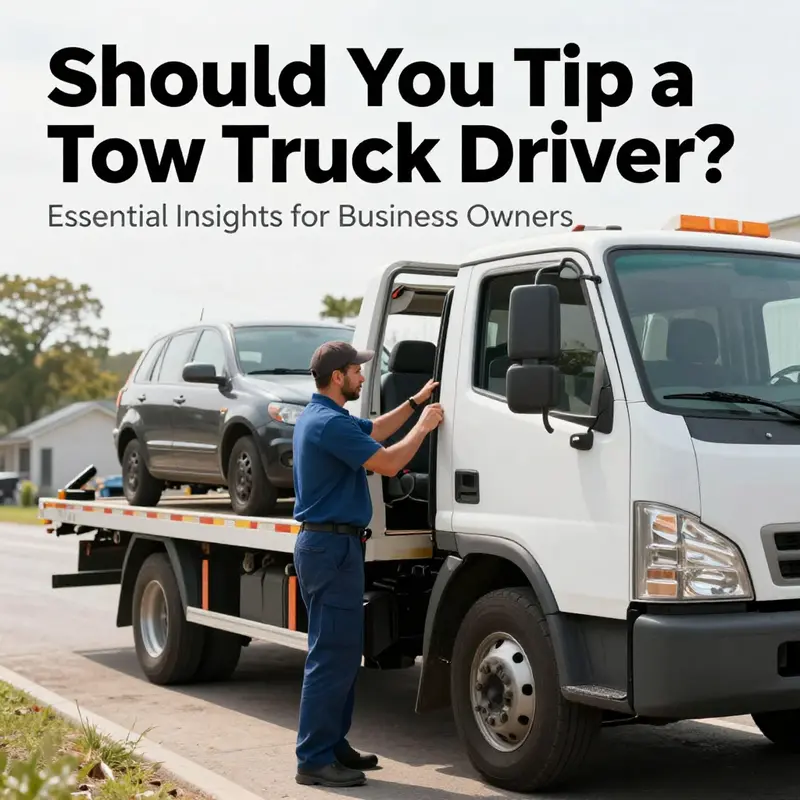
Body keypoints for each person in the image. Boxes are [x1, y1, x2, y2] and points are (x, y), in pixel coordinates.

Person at [291, 340, 444, 788]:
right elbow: (390, 462)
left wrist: (415, 403)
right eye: (356, 371)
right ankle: (313, 759)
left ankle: (333, 745)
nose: (362, 376)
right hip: (330, 548)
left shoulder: (328, 416)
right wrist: (425, 426)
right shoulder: (327, 424)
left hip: (335, 546)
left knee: (341, 654)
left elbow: (375, 430)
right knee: (330, 656)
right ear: (338, 377)